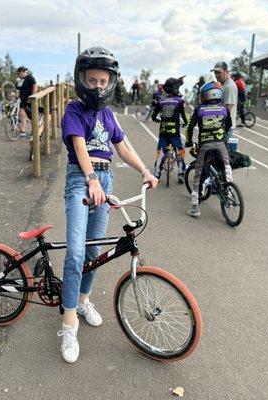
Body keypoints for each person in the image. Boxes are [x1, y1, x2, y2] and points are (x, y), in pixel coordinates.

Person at [59, 46, 158, 364]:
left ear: (111, 82)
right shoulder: (75, 110)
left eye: (103, 81)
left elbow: (122, 147)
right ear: (82, 80)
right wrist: (90, 179)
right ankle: (69, 321)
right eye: (92, 80)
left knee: (93, 254)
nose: (98, 86)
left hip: (105, 182)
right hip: (82, 180)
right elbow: (79, 146)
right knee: (75, 252)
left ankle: (84, 299)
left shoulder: (108, 115)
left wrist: (144, 169)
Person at [185, 81, 232, 218]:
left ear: (206, 95)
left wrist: (188, 141)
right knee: (227, 168)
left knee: (198, 174)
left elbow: (189, 128)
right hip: (222, 144)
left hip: (205, 146)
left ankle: (195, 208)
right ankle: (228, 192)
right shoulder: (224, 109)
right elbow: (228, 126)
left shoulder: (199, 109)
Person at [150, 76, 189, 183]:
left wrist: (158, 119)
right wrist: (185, 123)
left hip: (163, 131)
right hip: (174, 132)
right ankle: (181, 172)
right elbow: (184, 116)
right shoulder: (179, 101)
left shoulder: (161, 101)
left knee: (161, 151)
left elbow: (153, 116)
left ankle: (157, 172)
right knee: (179, 151)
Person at [212, 61, 237, 141]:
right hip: (221, 126)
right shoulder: (223, 84)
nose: (216, 75)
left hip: (225, 128)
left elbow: (228, 109)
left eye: (219, 73)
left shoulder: (229, 87)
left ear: (226, 72)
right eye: (215, 73)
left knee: (221, 152)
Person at [16, 66, 38, 133]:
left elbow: (35, 85)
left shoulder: (30, 77)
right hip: (22, 100)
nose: (19, 75)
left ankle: (34, 131)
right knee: (22, 114)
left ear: (22, 72)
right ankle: (23, 130)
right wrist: (16, 95)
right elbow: (18, 89)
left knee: (32, 117)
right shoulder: (20, 80)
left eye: (19, 73)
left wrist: (33, 96)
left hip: (30, 100)